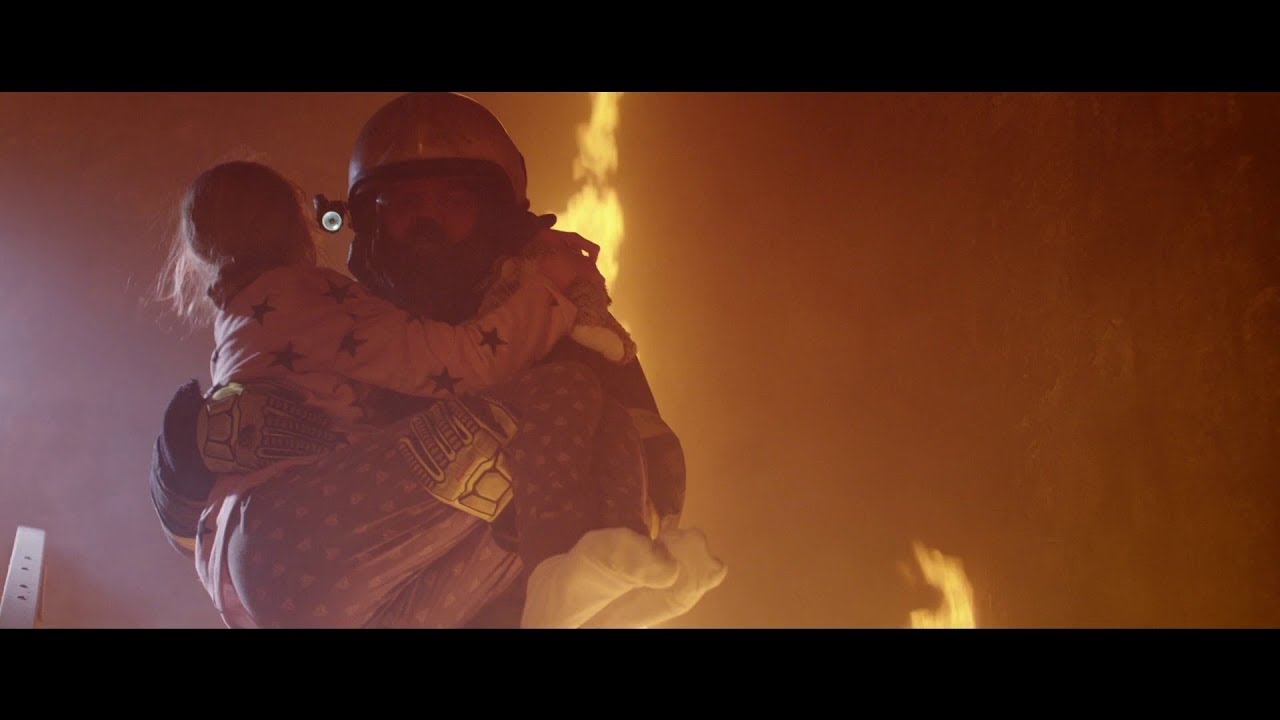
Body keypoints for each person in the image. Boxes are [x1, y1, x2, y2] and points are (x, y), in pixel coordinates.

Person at [151, 92, 723, 628]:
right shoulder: (339, 323)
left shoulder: (555, 331)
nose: (427, 222)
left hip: (503, 599)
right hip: (365, 582)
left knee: (567, 413)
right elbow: (243, 538)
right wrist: (184, 478)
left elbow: (646, 469)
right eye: (405, 203)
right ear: (371, 218)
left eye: (453, 201)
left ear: (495, 212)